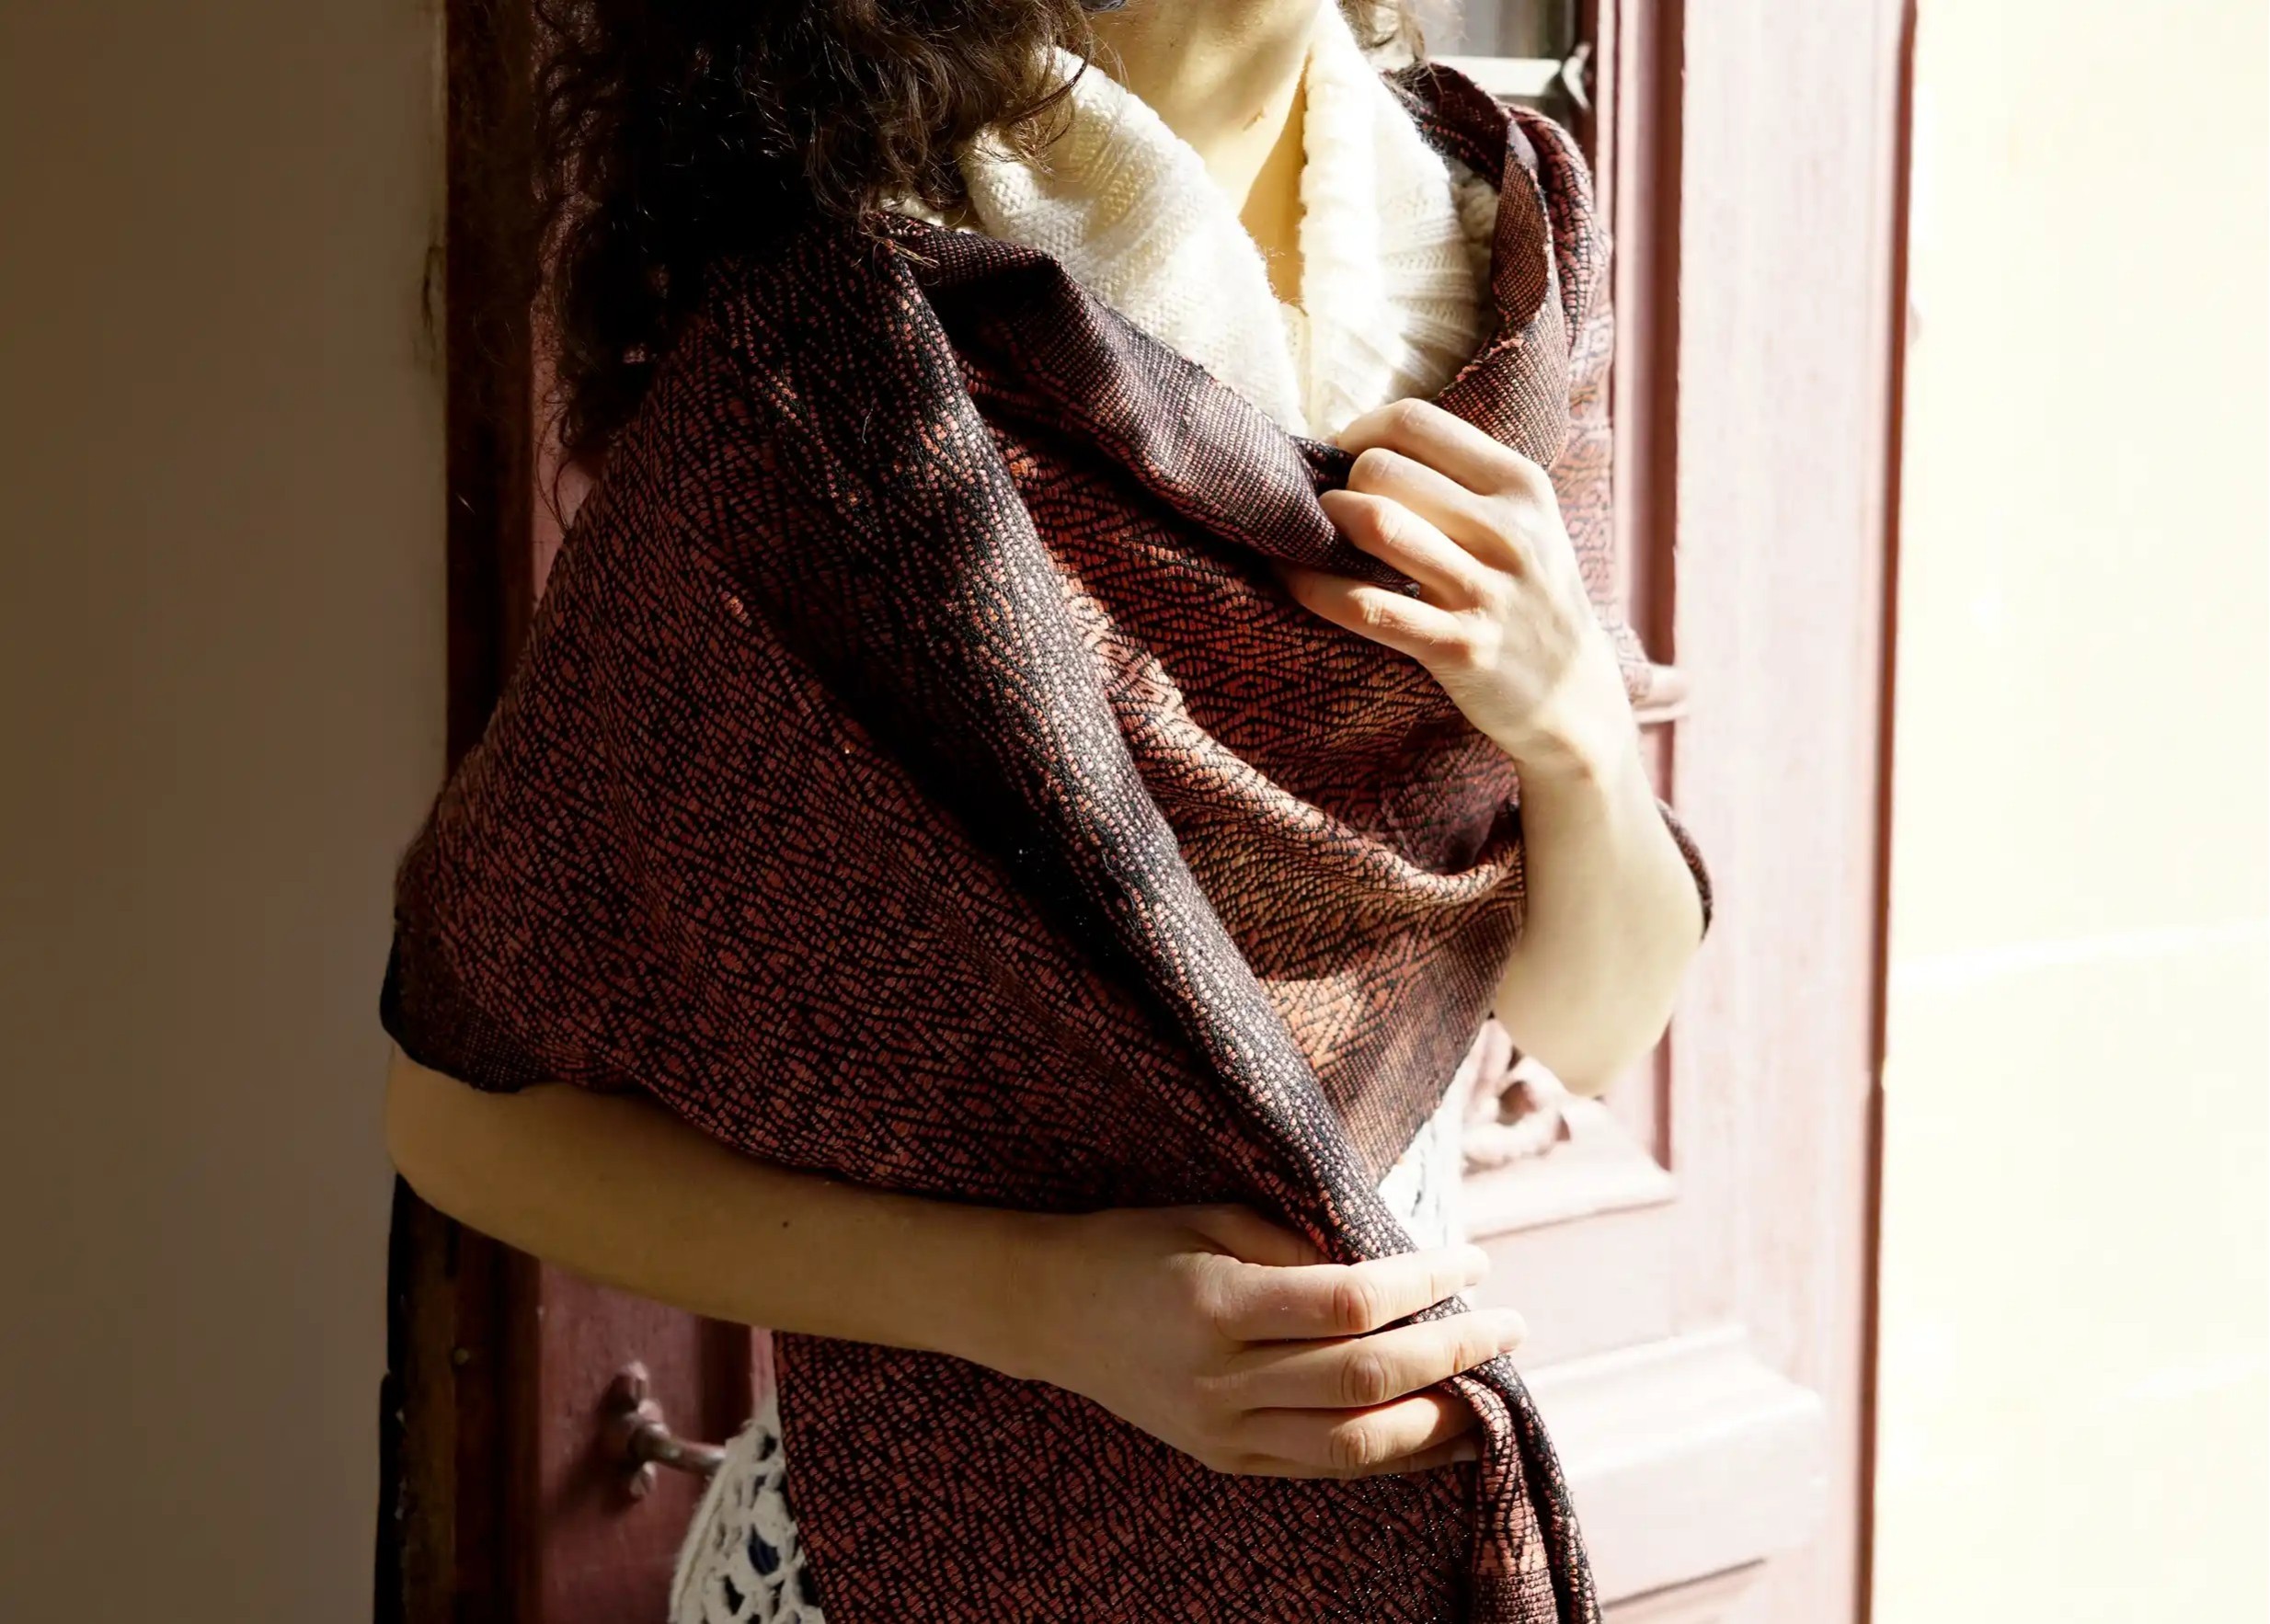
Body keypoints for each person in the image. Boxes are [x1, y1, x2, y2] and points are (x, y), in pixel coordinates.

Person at [384, 1, 1708, 1618]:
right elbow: (459, 1110)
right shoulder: (839, 375)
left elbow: (1590, 1018)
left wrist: (1576, 732)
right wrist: (1050, 1306)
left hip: (1384, 1555)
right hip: (910, 1560)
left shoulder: (1513, 273)